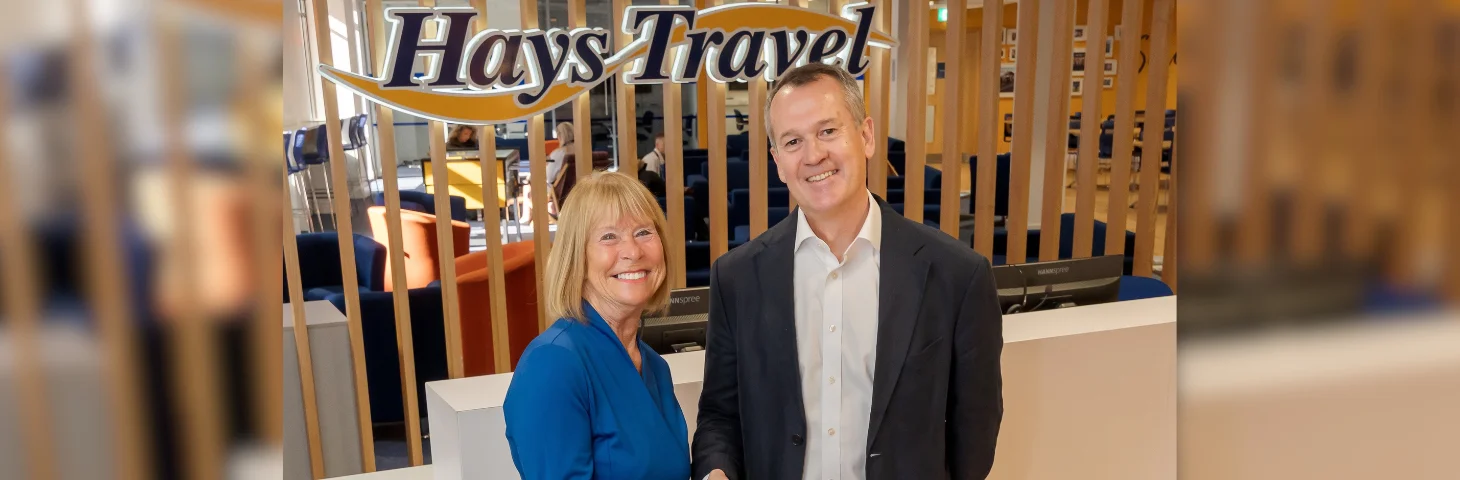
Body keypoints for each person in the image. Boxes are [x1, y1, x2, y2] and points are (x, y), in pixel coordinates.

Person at [691, 63, 1004, 480]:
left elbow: (975, 432)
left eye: (828, 131)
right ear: (779, 162)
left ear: (866, 135)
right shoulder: (737, 278)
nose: (813, 155)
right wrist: (715, 471)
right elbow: (719, 416)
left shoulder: (956, 275)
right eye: (792, 141)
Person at [503, 172, 689, 479]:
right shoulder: (552, 364)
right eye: (609, 237)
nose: (633, 251)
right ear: (577, 258)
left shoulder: (654, 366)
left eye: (644, 232)